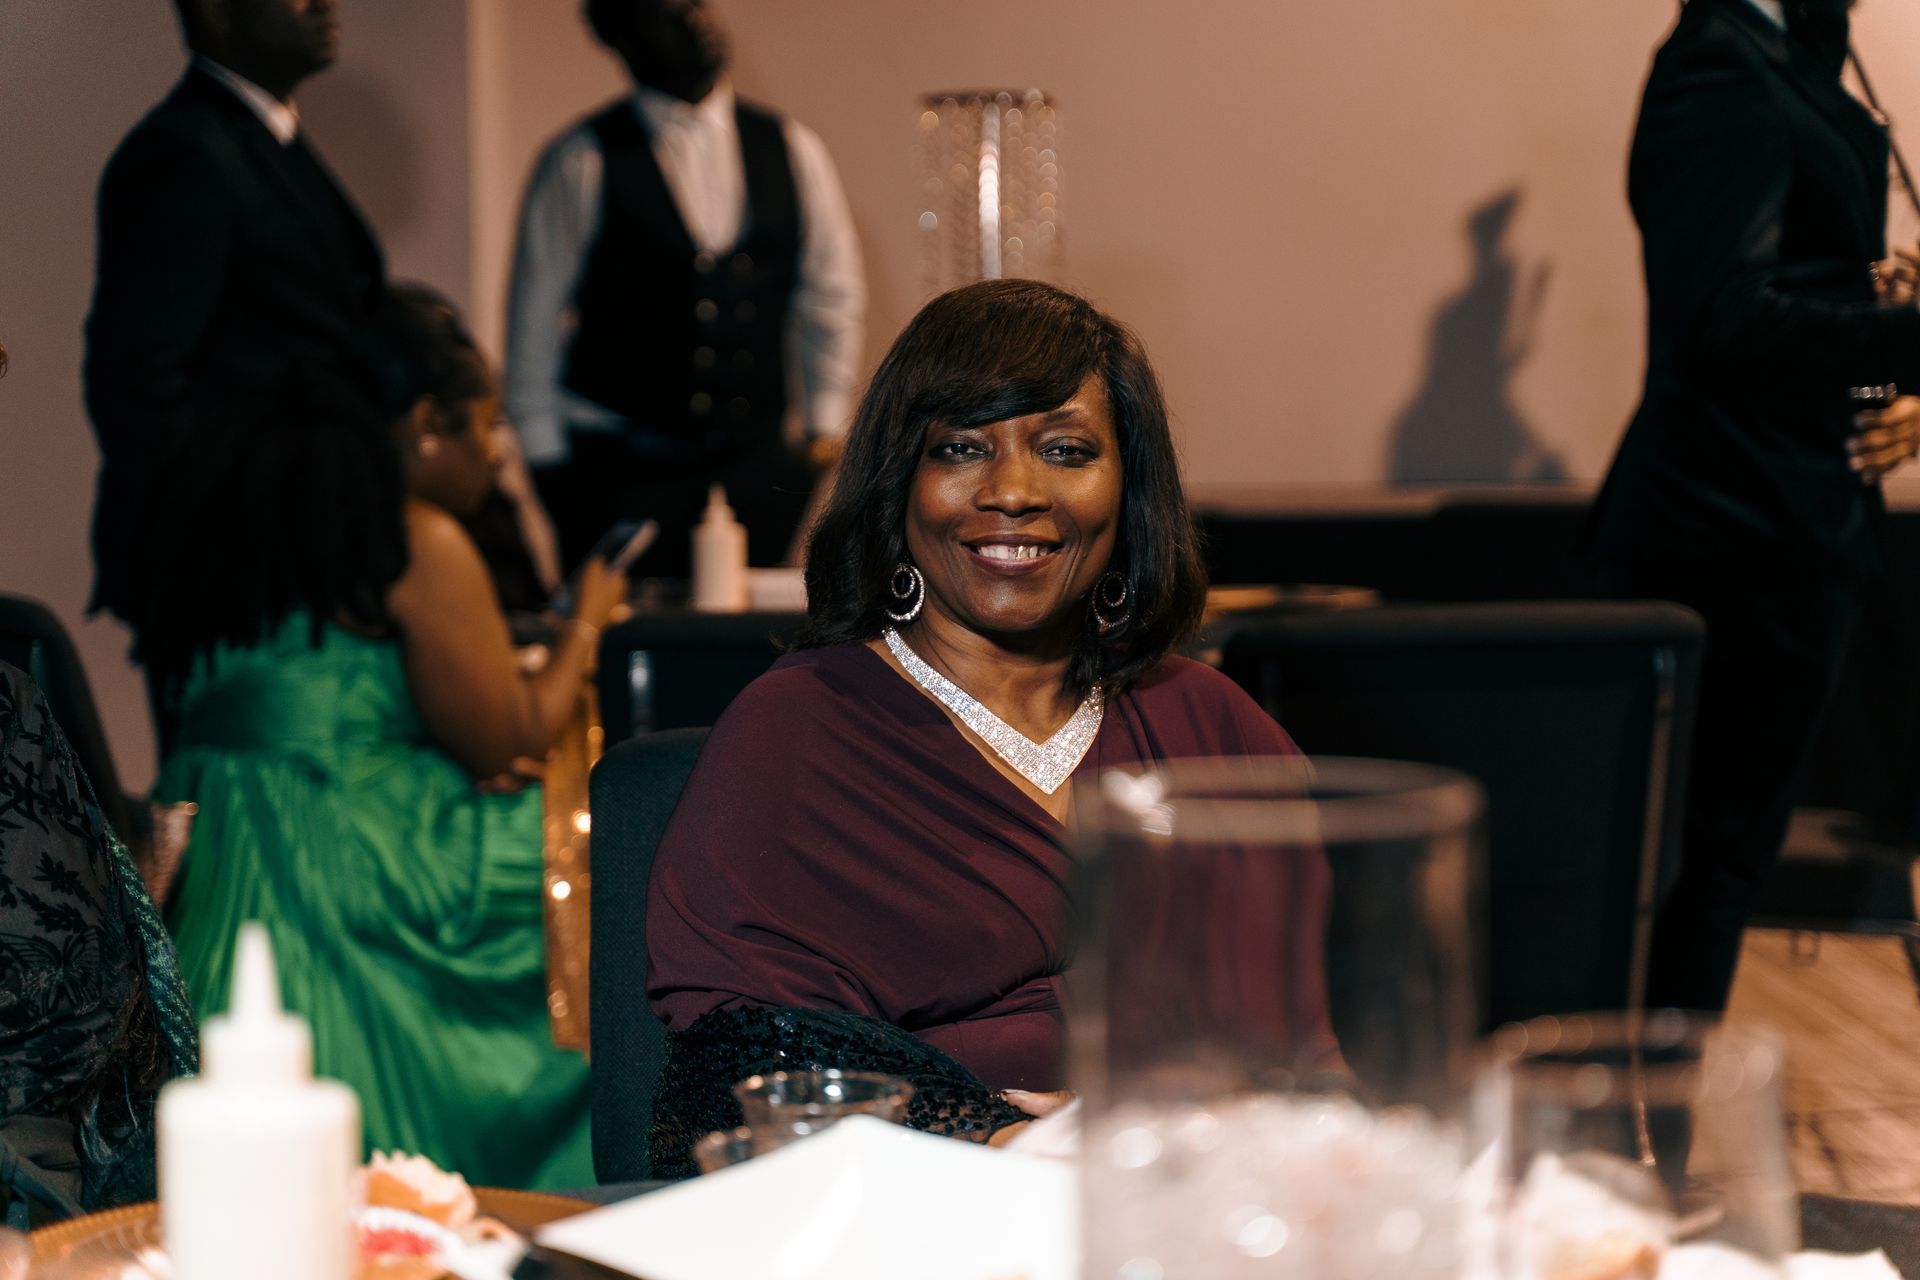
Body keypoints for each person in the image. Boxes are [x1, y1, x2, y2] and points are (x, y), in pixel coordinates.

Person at [642, 280, 1337, 1177]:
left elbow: (1319, 1053)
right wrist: (1008, 1142)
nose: (1013, 491)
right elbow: (743, 1075)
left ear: (1128, 487)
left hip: (1206, 1201)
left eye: (1066, 450)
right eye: (962, 449)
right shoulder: (795, 734)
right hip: (911, 1213)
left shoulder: (1216, 726)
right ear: (900, 483)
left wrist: (1168, 1141)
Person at [138, 289, 627, 1190]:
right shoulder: (415, 539)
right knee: (616, 852)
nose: (497, 454)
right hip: (347, 852)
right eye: (487, 425)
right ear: (426, 426)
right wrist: (588, 622)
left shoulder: (232, 528)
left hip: (212, 848)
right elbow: (507, 738)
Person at [1585, 0, 1920, 1012]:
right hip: (1734, 545)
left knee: (1718, 873)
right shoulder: (1721, 69)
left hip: (1789, 537)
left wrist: (1889, 380)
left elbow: (1812, 314)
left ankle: (1658, 1107)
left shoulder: (1783, 54)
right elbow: (1726, 328)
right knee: (1699, 879)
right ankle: (1648, 1112)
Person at [506, 0, 865, 578]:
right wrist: (547, 459)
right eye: (666, 12)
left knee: (757, 631)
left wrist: (824, 426)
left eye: (696, 5)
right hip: (619, 470)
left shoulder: (792, 146)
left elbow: (831, 293)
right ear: (621, 39)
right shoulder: (581, 159)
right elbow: (535, 315)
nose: (694, 24)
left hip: (758, 469)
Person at [84, 0, 383, 628]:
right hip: (238, 569)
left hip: (302, 544)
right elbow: (138, 380)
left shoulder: (266, 137)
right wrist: (231, 551)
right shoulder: (182, 151)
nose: (325, 2)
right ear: (217, 12)